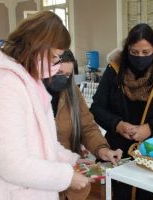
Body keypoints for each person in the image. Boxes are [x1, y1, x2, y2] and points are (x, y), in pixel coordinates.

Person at [0, 11, 91, 200]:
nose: (56, 64)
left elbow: (45, 144)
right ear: (37, 47)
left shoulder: (24, 79)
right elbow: (13, 165)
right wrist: (67, 177)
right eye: (54, 57)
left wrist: (74, 161)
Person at [90, 23, 153, 200]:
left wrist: (149, 128)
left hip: (151, 151)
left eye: (146, 52)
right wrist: (118, 125)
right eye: (134, 52)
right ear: (127, 49)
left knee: (146, 192)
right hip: (118, 149)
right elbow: (96, 107)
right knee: (121, 193)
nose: (140, 58)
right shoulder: (114, 70)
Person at [43, 50, 123, 200]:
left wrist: (102, 150)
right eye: (59, 72)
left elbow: (88, 127)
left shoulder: (71, 92)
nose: (63, 79)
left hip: (72, 183)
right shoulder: (30, 94)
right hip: (41, 182)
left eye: (67, 75)